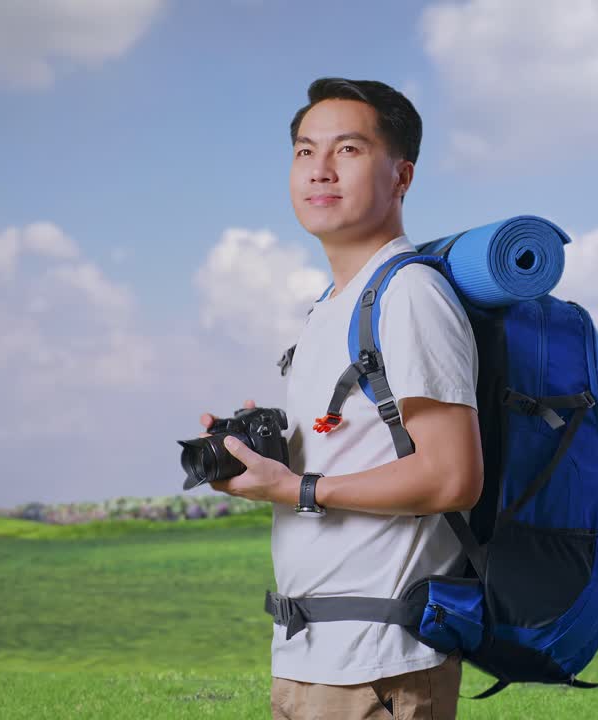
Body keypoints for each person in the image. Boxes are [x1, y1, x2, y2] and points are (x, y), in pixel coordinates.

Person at [200, 77, 482, 719]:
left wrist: (299, 490)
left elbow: (451, 477)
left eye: (348, 150)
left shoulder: (409, 294)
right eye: (304, 152)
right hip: (312, 658)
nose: (319, 170)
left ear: (401, 176)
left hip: (378, 665)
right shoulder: (330, 307)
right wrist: (261, 458)